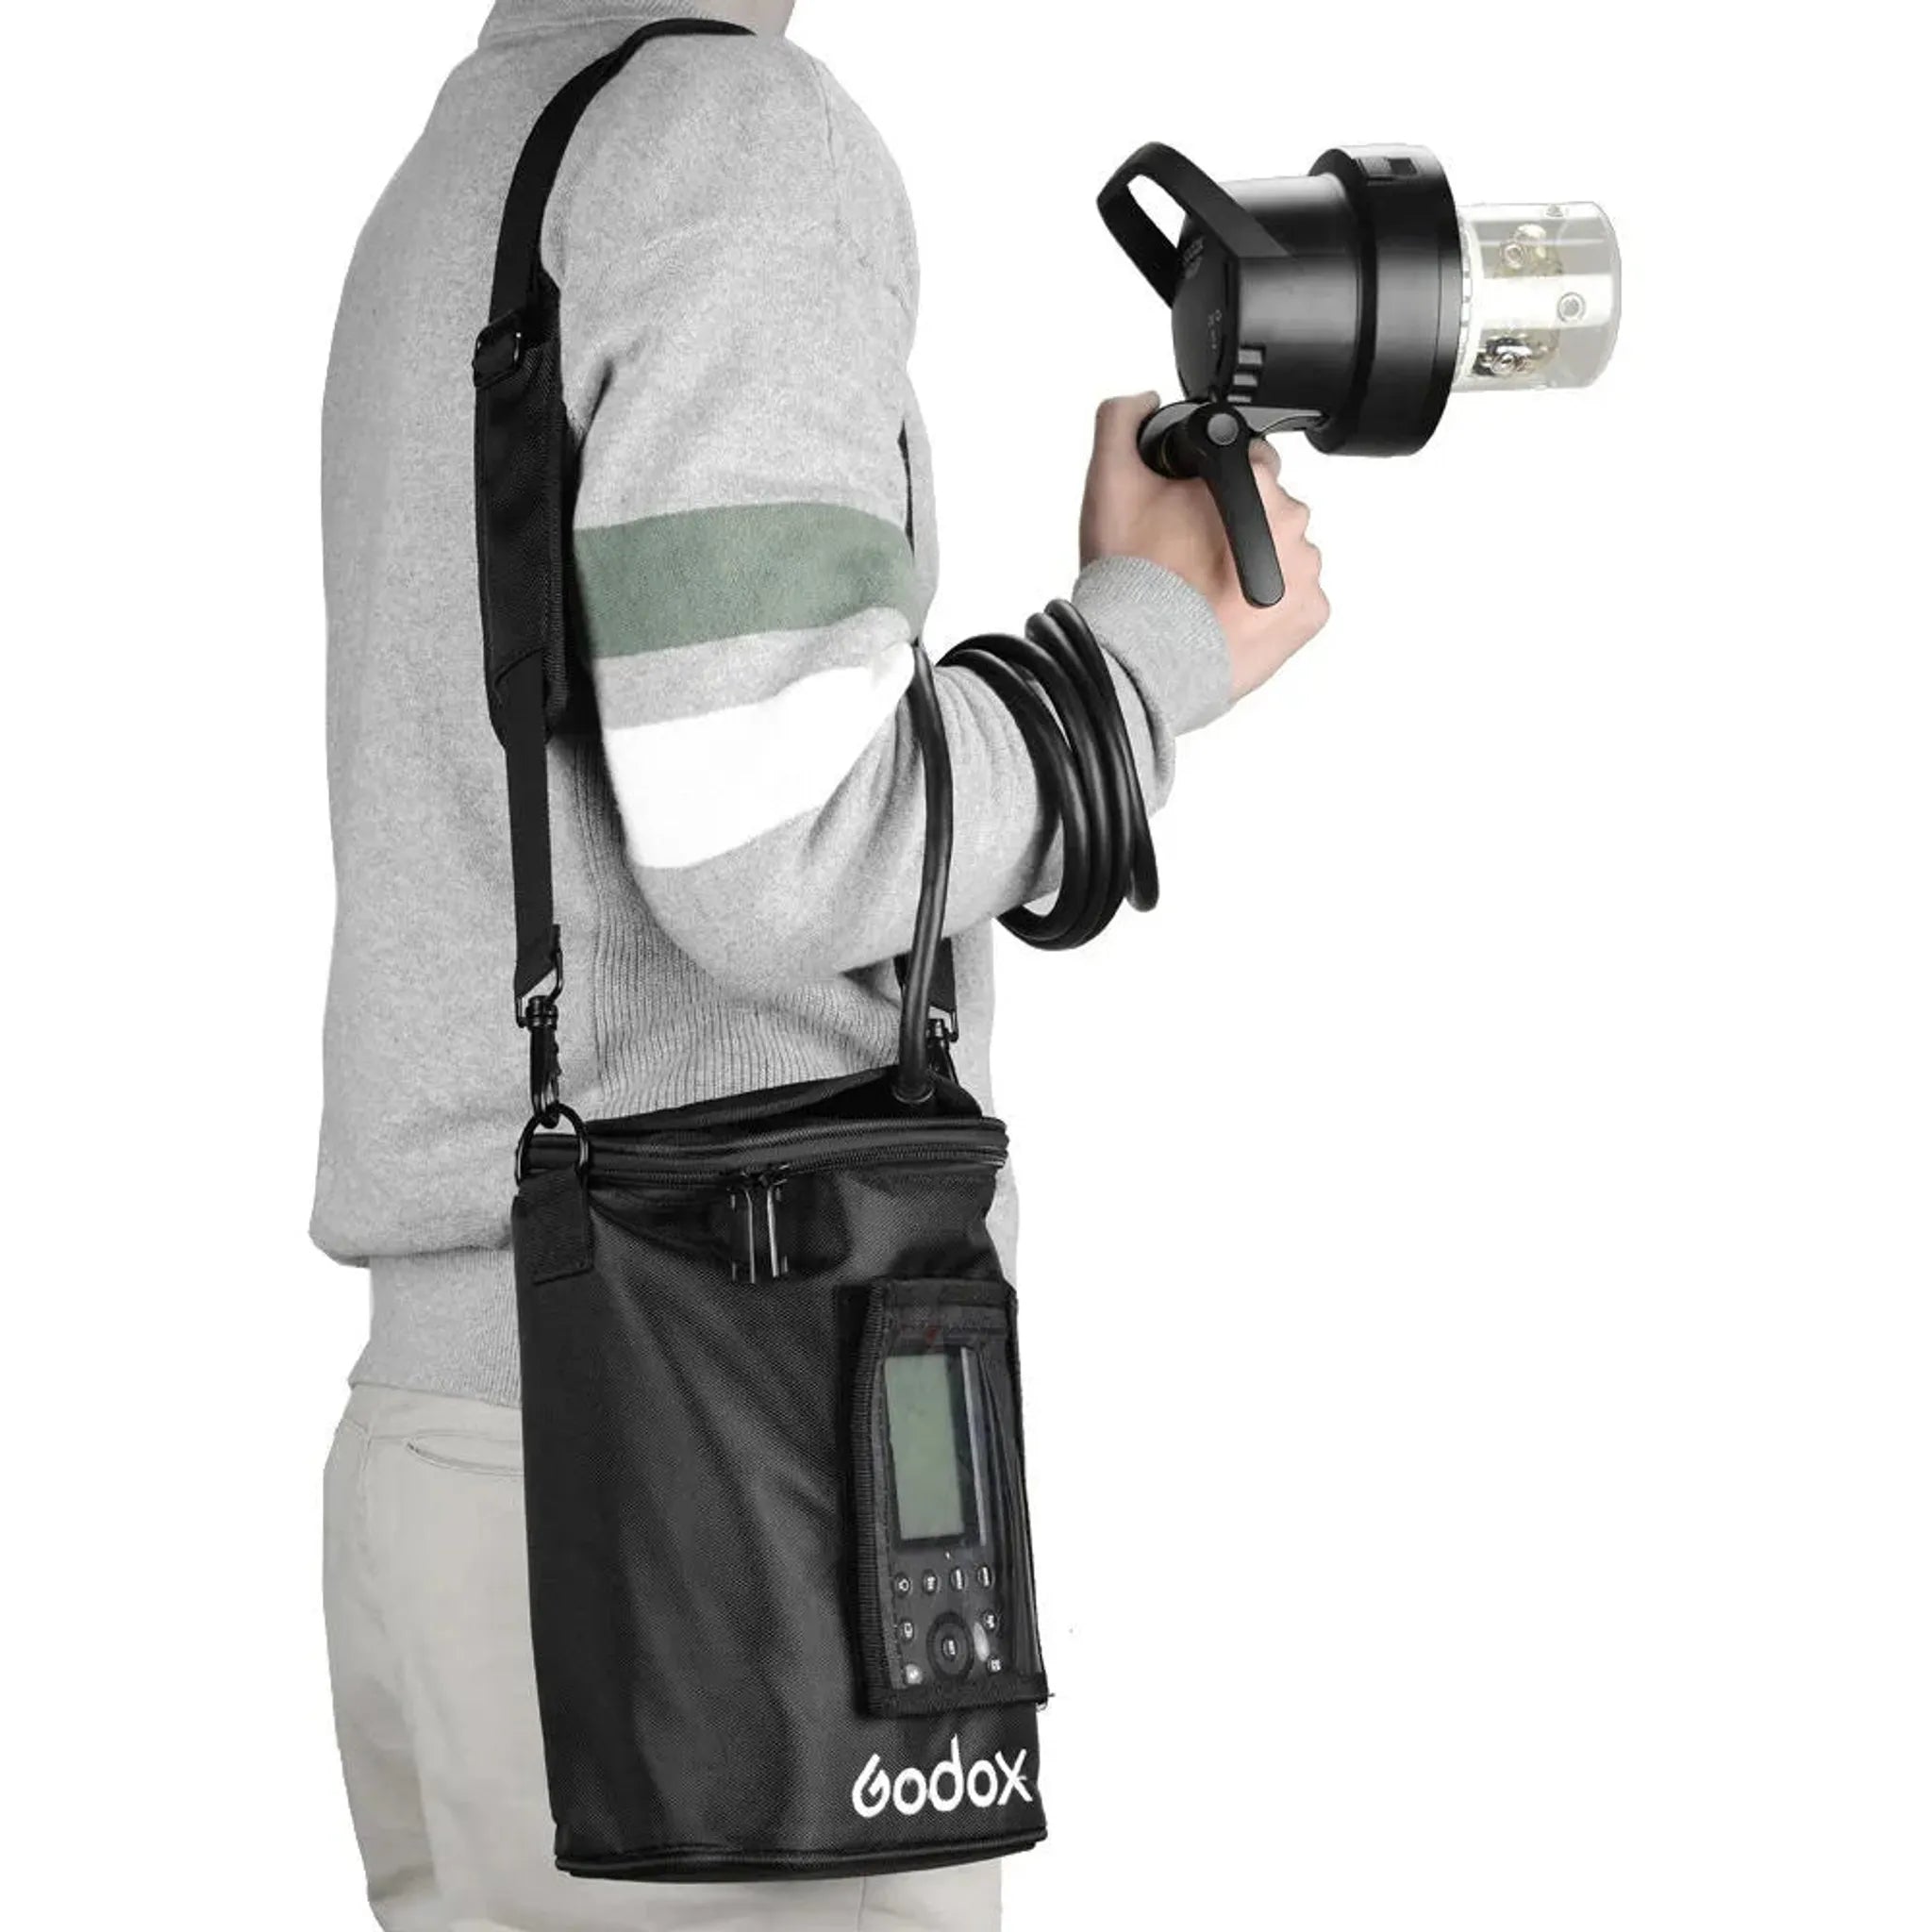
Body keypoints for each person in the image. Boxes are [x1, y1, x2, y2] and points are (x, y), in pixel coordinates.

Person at [312, 1, 1326, 1926]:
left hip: (469, 1455)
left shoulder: (476, 157)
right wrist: (1141, 656)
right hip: (712, 1459)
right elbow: (772, 841)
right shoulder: (726, 133)